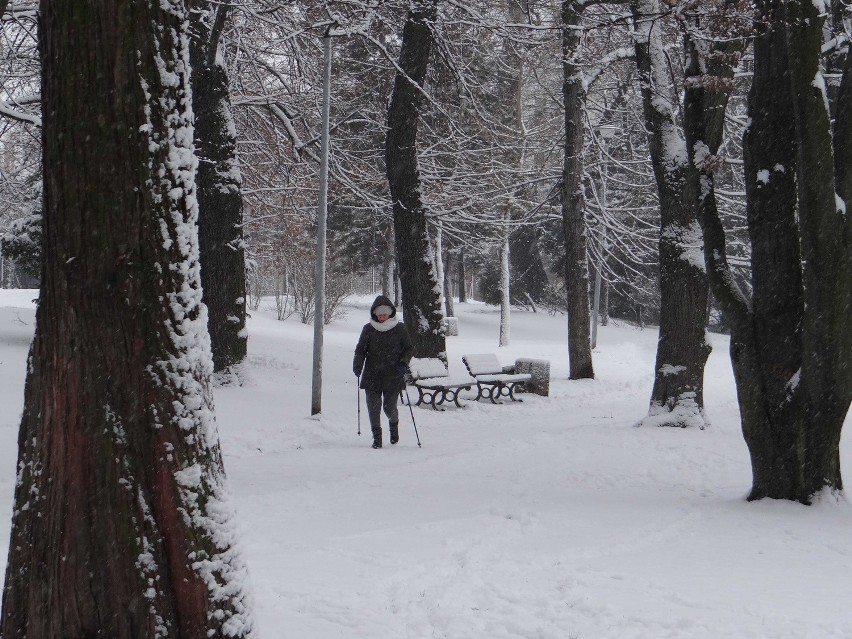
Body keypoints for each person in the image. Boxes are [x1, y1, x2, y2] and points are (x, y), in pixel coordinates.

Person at [353, 295, 413, 449]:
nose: (381, 317)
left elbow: (408, 348)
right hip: (372, 374)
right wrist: (358, 364)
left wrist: (404, 363)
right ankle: (377, 438)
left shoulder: (399, 328)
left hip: (393, 375)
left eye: (384, 314)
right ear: (374, 314)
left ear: (391, 313)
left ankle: (394, 425)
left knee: (388, 407)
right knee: (373, 408)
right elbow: (360, 349)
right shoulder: (368, 329)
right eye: (379, 314)